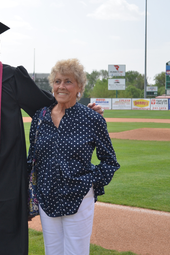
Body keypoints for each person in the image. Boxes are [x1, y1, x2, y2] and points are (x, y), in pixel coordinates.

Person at [0, 10, 103, 255]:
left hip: (4, 178)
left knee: (3, 241)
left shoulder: (12, 77)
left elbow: (48, 106)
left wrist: (84, 111)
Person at [28, 58, 120, 255]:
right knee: (52, 251)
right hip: (47, 196)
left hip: (78, 197)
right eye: (57, 81)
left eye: (68, 81)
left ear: (79, 87)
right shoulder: (40, 116)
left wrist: (90, 183)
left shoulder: (92, 119)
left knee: (76, 251)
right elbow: (32, 158)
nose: (62, 86)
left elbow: (110, 161)